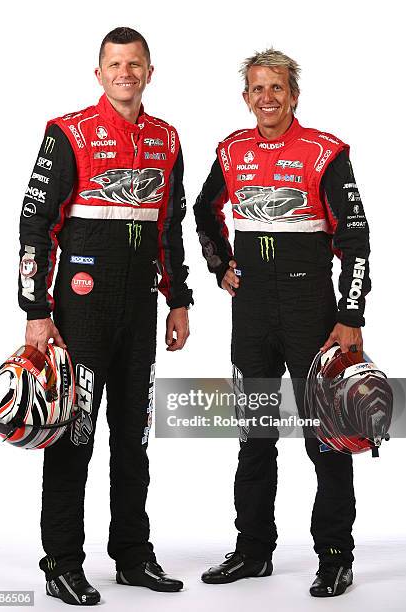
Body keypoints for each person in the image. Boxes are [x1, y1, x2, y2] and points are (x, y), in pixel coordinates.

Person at [18, 27, 193, 605]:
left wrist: (179, 299)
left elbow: (171, 227)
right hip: (81, 309)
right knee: (73, 436)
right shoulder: (67, 132)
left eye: (135, 64)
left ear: (149, 71)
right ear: (99, 74)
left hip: (139, 310)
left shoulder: (166, 139)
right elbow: (34, 224)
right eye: (115, 64)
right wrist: (36, 310)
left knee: (134, 438)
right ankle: (62, 561)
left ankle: (133, 556)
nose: (125, 73)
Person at [193, 48, 370, 597]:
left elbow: (356, 239)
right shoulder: (231, 149)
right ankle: (253, 551)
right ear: (245, 97)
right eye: (257, 89)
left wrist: (350, 314)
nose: (267, 98)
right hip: (252, 311)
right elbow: (202, 210)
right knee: (254, 434)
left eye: (277, 88)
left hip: (310, 306)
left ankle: (335, 556)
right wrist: (221, 264)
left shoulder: (326, 151)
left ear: (294, 95)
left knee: (326, 435)